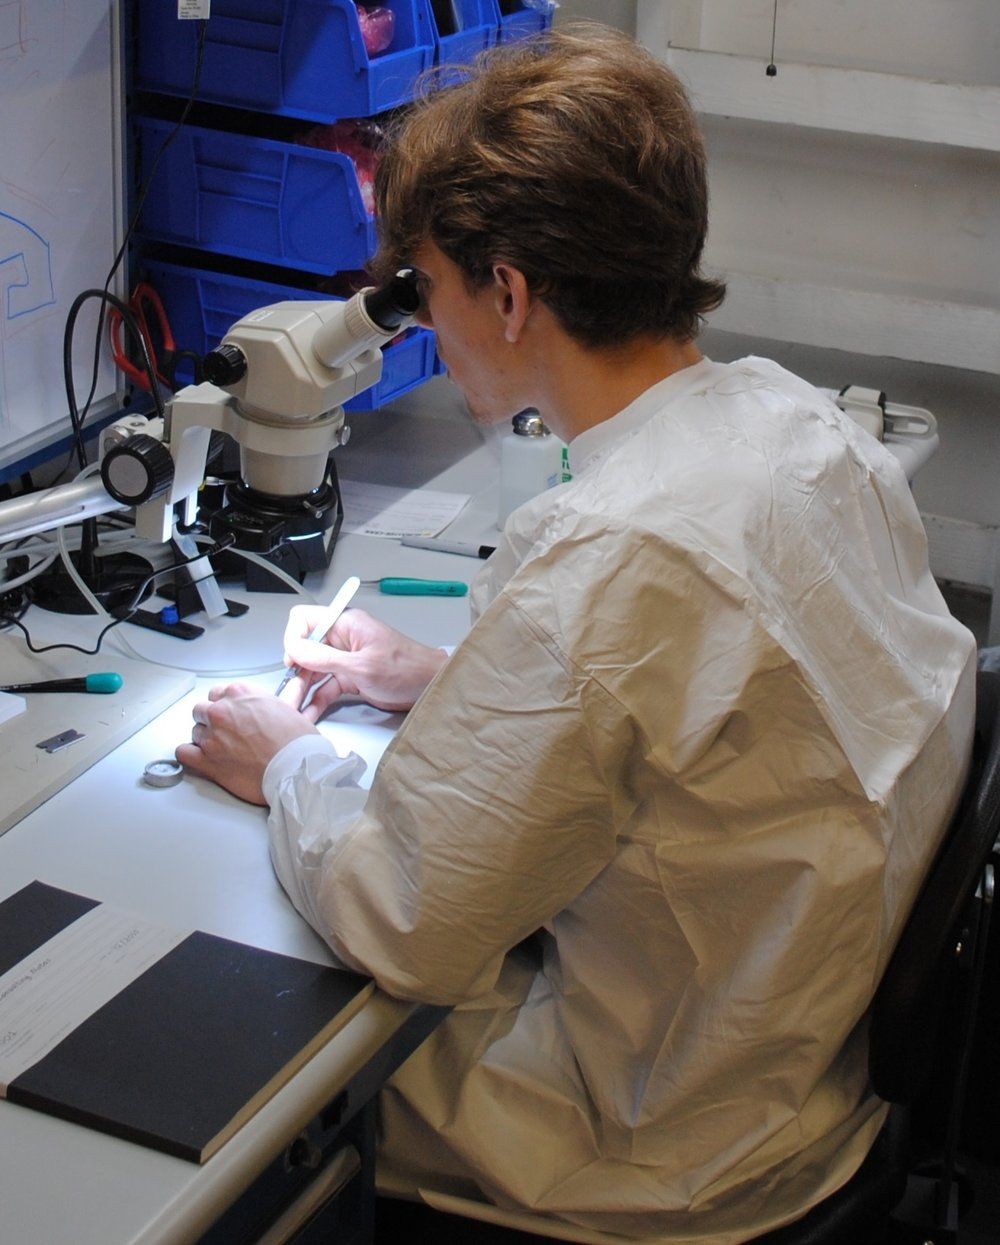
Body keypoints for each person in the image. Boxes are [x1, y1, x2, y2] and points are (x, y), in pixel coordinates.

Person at [176, 24, 977, 1243]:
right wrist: (451, 677)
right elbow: (718, 703)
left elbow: (405, 920)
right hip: (804, 1074)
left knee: (236, 1071)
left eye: (427, 291)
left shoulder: (607, 553)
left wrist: (287, 761)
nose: (426, 329)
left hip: (653, 1150)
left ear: (507, 295)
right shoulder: (795, 423)